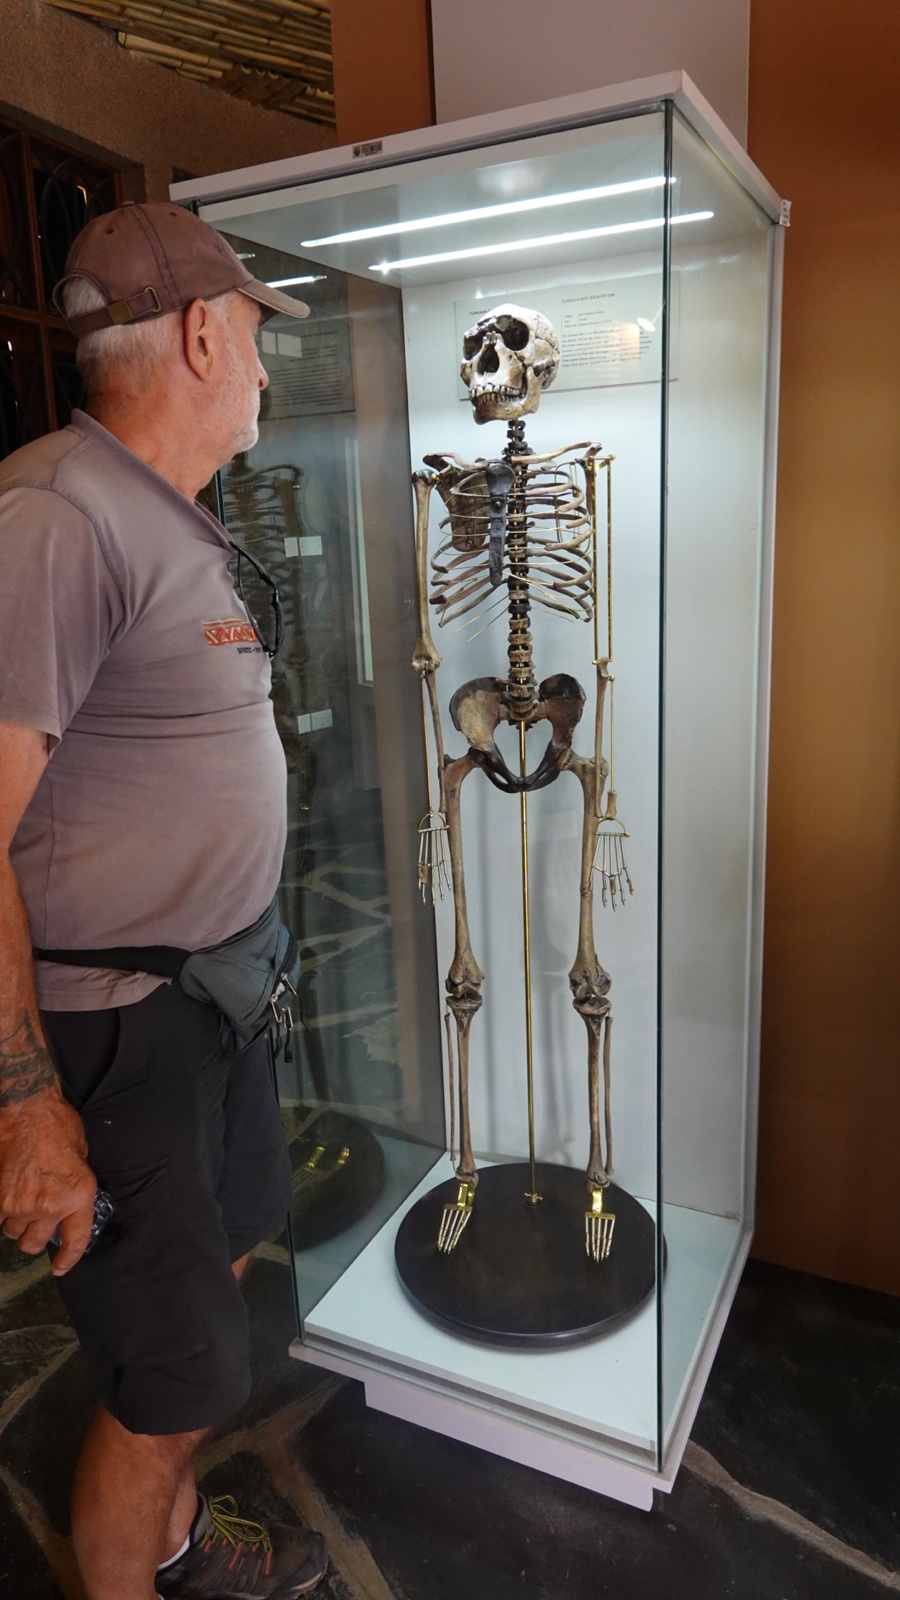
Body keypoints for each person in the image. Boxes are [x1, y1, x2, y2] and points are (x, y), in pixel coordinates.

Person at [0, 203, 328, 1600]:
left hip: (212, 1012)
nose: (261, 364)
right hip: (120, 1037)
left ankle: (178, 1541)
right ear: (200, 333)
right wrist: (26, 1103)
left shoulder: (162, 513)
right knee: (168, 1377)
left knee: (216, 1289)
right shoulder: (57, 518)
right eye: (253, 334)